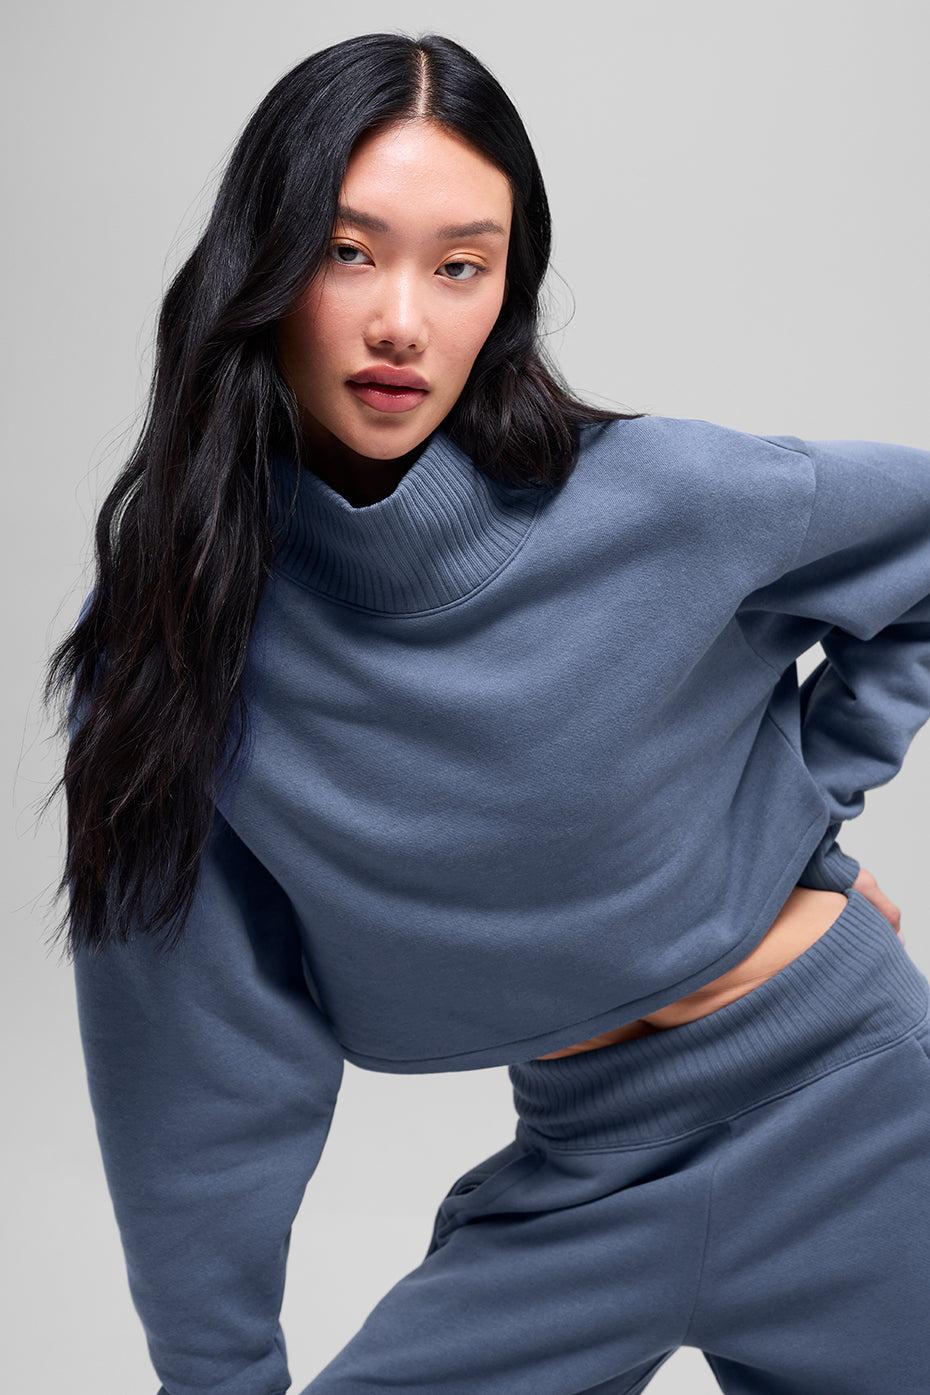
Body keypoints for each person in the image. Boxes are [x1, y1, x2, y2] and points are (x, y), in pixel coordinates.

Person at [45, 30, 930, 1395]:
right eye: (349, 252)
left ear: (505, 293)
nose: (403, 320)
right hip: (586, 1175)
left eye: (460, 265)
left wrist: (801, 808)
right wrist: (215, 1379)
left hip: (860, 1107)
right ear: (260, 264)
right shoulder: (179, 653)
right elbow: (192, 1077)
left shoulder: (661, 499)